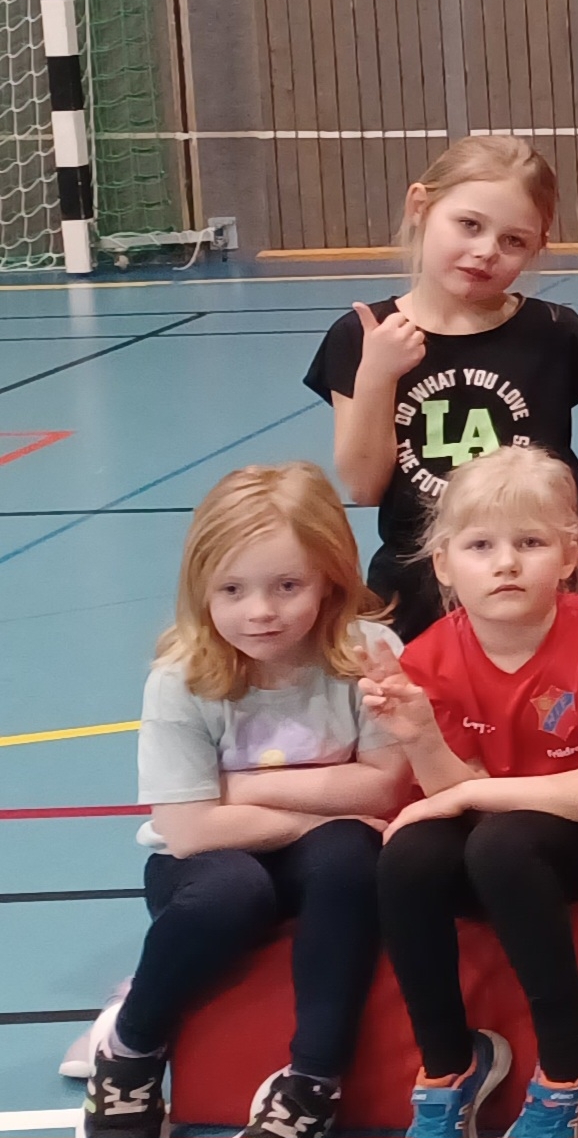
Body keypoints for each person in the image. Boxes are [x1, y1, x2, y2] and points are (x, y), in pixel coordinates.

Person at [82, 465, 406, 1138]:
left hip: (321, 855)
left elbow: (382, 786)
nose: (260, 611)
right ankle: (130, 1050)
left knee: (351, 855)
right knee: (234, 890)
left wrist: (243, 788)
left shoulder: (367, 653)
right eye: (232, 589)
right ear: (202, 587)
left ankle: (312, 1082)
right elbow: (188, 832)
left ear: (330, 580)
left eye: (288, 586)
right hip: (205, 865)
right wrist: (324, 803)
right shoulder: (182, 677)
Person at [363, 448, 578, 1138]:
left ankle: (571, 1059)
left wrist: (466, 796)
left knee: (498, 842)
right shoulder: (429, 655)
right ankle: (448, 1064)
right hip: (497, 842)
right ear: (443, 563)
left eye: (529, 543)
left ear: (569, 554)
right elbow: (452, 792)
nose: (505, 564)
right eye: (481, 546)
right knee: (409, 854)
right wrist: (422, 738)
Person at [305, 135, 578, 640]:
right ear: (420, 207)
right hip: (416, 593)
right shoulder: (364, 336)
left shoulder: (555, 333)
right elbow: (363, 486)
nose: (486, 251)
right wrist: (378, 375)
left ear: (537, 247)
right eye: (469, 225)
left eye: (513, 241)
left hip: (539, 590)